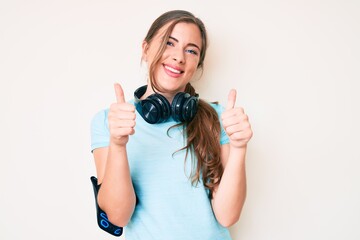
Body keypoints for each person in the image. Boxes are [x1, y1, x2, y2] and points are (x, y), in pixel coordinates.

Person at [90, 10, 253, 240]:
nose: (179, 57)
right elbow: (117, 217)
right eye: (169, 43)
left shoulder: (220, 118)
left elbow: (227, 216)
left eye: (191, 50)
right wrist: (118, 144)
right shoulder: (110, 121)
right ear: (145, 49)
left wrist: (239, 148)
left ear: (197, 64)